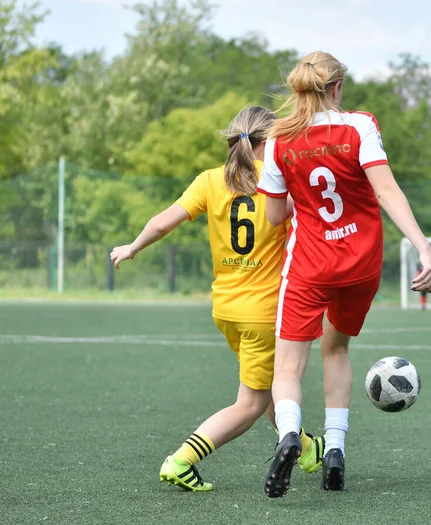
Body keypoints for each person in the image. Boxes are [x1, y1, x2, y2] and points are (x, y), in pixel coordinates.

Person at [110, 106, 324, 493]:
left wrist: (133, 246)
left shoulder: (210, 180)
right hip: (264, 310)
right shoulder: (281, 181)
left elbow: (162, 221)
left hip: (226, 308)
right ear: (269, 141)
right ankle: (181, 460)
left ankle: (306, 448)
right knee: (251, 403)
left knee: (269, 383)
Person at [257, 52, 431, 498]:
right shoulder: (360, 125)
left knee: (287, 366)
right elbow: (386, 190)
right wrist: (422, 245)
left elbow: (274, 215)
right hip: (361, 265)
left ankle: (289, 438)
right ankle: (335, 449)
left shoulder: (279, 139)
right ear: (336, 87)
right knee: (335, 349)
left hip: (310, 266)